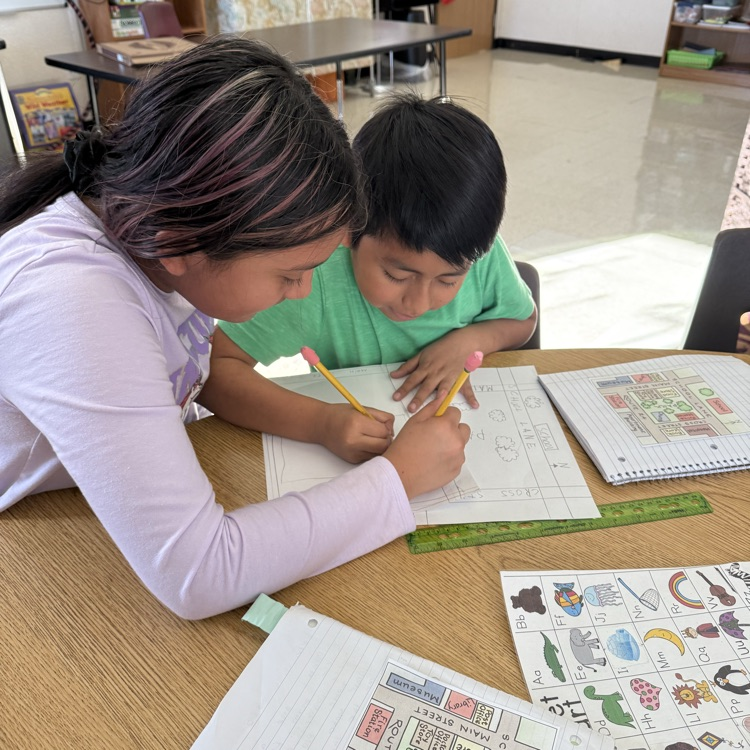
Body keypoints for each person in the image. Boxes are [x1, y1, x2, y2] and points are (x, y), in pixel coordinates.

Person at [0, 39, 470, 620]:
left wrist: (324, 423)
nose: (301, 292)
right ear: (179, 243)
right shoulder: (75, 304)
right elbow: (200, 573)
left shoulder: (154, 241)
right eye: (290, 274)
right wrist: (396, 480)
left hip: (81, 506)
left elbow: (193, 369)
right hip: (31, 550)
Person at [203, 93, 536, 464]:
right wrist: (319, 423)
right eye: (396, 274)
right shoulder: (311, 279)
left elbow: (523, 319)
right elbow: (211, 373)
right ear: (351, 230)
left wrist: (470, 340)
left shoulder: (476, 252)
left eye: (448, 281)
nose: (419, 304)